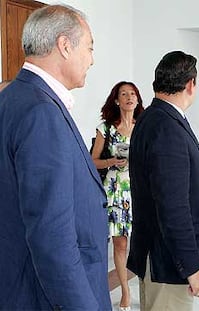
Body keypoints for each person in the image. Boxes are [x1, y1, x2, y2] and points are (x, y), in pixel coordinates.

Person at [0, 5, 111, 310]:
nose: (92, 59)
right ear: (65, 46)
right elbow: (52, 235)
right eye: (89, 48)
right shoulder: (40, 111)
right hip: (43, 294)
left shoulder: (12, 99)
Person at [127, 51, 199, 311]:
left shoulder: (155, 118)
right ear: (191, 84)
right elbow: (172, 205)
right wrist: (191, 266)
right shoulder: (166, 126)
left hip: (162, 256)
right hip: (167, 263)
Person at [91, 81, 144, 311]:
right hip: (115, 189)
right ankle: (125, 291)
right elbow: (92, 161)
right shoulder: (106, 129)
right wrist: (112, 161)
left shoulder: (144, 125)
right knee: (120, 244)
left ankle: (146, 288)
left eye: (133, 94)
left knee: (143, 242)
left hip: (140, 188)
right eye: (124, 94)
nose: (129, 97)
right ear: (116, 100)